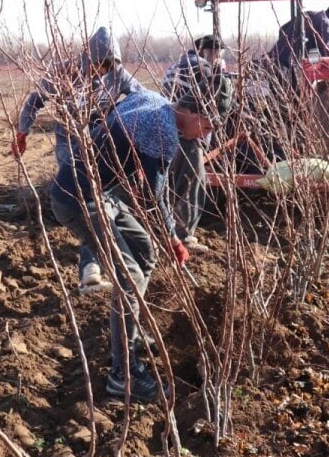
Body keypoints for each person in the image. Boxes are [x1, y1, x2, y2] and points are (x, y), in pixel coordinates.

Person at [50, 85, 220, 401]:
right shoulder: (163, 133)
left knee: (145, 253)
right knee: (131, 279)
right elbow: (155, 199)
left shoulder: (155, 100)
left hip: (103, 195)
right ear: (191, 112)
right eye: (206, 126)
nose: (203, 137)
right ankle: (123, 376)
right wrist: (174, 237)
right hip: (79, 201)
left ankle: (133, 330)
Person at [11, 27, 142, 293]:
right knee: (85, 200)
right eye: (98, 64)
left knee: (99, 202)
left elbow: (140, 96)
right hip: (69, 141)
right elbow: (35, 100)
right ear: (88, 58)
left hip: (100, 143)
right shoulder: (63, 72)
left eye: (108, 65)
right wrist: (23, 130)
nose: (102, 71)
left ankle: (102, 264)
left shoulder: (117, 75)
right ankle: (91, 269)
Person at [162, 34, 235, 251]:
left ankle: (166, 229)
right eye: (218, 54)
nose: (219, 58)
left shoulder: (175, 66)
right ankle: (183, 235)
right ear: (210, 52)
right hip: (187, 131)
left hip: (167, 126)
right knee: (194, 181)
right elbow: (212, 105)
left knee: (173, 181)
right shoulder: (205, 69)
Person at [268, 3, 329, 69]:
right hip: (288, 65)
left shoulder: (310, 14)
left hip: (275, 57)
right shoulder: (326, 23)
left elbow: (283, 29)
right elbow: (327, 51)